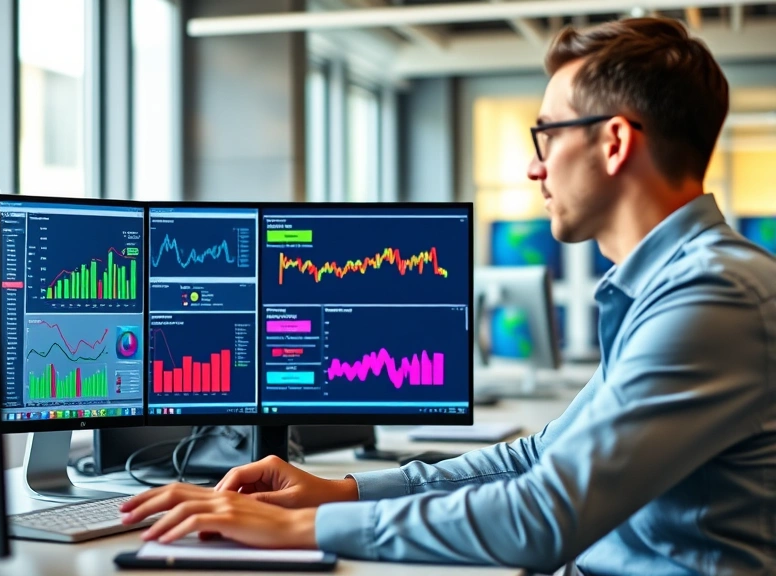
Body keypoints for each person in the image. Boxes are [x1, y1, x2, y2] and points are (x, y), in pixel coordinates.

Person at [120, 17, 776, 575]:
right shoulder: (670, 288)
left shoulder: (712, 297)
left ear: (614, 142)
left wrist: (299, 529)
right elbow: (540, 457)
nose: (534, 166)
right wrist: (337, 493)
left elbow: (543, 516)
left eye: (547, 134)